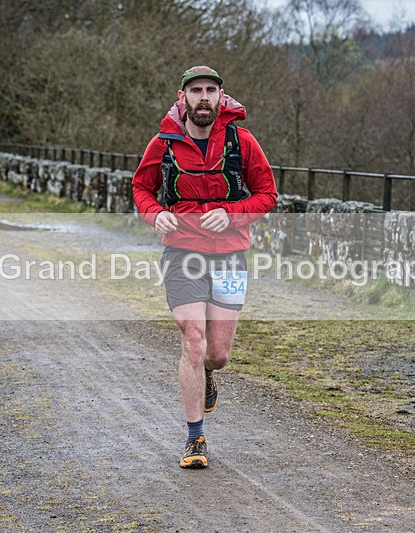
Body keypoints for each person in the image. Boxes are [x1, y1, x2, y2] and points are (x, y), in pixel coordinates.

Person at [132, 66, 277, 469]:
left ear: (221, 96)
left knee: (218, 353)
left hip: (230, 253)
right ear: (182, 96)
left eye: (210, 90)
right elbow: (141, 188)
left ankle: (210, 372)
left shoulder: (242, 141)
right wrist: (155, 214)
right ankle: (195, 439)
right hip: (182, 252)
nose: (203, 97)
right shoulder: (163, 142)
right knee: (192, 340)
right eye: (196, 90)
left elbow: (268, 195)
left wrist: (232, 214)